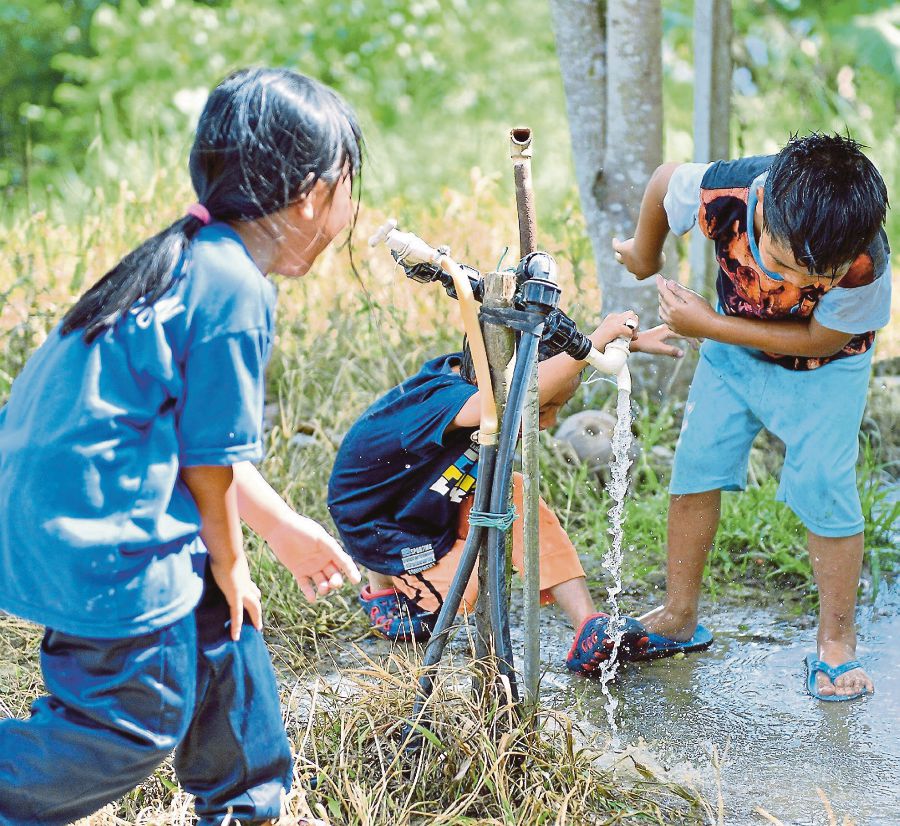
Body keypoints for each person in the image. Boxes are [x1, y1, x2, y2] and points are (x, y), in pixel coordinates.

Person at [0, 68, 363, 825]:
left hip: (65, 513)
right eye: (350, 189)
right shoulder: (233, 285)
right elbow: (205, 464)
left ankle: (246, 805)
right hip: (101, 536)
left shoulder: (192, 255)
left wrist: (280, 532)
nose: (349, 214)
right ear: (314, 192)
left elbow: (207, 443)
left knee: (222, 631)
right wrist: (229, 561)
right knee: (131, 724)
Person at [611, 133, 891, 701]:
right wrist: (646, 251)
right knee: (696, 465)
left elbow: (820, 334)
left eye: (821, 278)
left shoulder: (865, 262)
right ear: (764, 215)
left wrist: (708, 325)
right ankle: (680, 614)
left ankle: (835, 642)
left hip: (827, 372)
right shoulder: (730, 192)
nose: (798, 285)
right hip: (734, 360)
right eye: (787, 265)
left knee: (825, 484)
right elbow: (666, 180)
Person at [327, 311, 684, 675]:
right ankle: (387, 589)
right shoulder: (446, 400)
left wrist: (612, 346)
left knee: (517, 492)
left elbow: (527, 384)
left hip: (434, 497)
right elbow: (510, 399)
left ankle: (588, 625)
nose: (549, 423)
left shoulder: (487, 373)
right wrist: (588, 344)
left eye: (558, 408)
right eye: (544, 407)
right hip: (386, 527)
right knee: (461, 597)